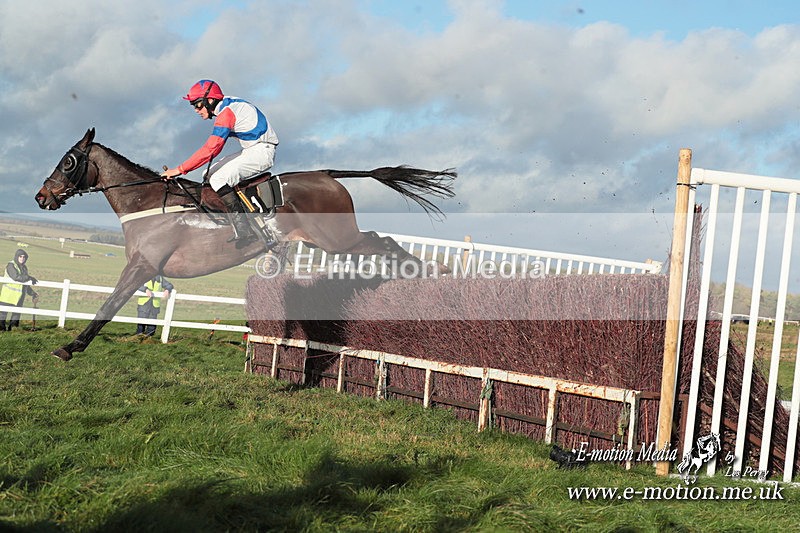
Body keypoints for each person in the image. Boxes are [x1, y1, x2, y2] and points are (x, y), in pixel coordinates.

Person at [161, 79, 279, 245]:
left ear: (210, 100)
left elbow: (211, 149)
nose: (196, 110)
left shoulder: (226, 114)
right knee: (208, 174)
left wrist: (178, 170)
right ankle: (236, 214)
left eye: (198, 104)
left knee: (218, 179)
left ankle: (245, 227)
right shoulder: (224, 105)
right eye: (193, 105)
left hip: (261, 151)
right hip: (253, 149)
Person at [0, 249, 39, 331]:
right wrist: (29, 277)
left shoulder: (24, 268)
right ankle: (1, 330)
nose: (22, 258)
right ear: (16, 257)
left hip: (19, 297)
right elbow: (16, 277)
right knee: (2, 315)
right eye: (20, 256)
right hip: (8, 296)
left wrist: (32, 293)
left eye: (24, 257)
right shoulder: (11, 265)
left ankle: (13, 330)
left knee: (16, 315)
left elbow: (25, 284)